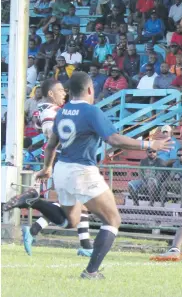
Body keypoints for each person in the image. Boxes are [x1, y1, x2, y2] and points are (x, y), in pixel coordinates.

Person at [35, 72, 172, 279]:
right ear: (90, 90)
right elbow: (115, 140)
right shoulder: (91, 112)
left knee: (70, 221)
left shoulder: (62, 112)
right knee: (113, 219)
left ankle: (33, 201)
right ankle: (91, 271)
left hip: (61, 169)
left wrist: (47, 168)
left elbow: (51, 145)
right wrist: (150, 144)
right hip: (82, 170)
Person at [5, 79, 93, 257]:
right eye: (61, 90)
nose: (64, 94)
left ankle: (85, 246)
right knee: (70, 216)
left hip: (65, 160)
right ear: (51, 94)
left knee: (80, 206)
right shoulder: (50, 112)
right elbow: (55, 134)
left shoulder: (48, 110)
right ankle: (33, 204)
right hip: (67, 160)